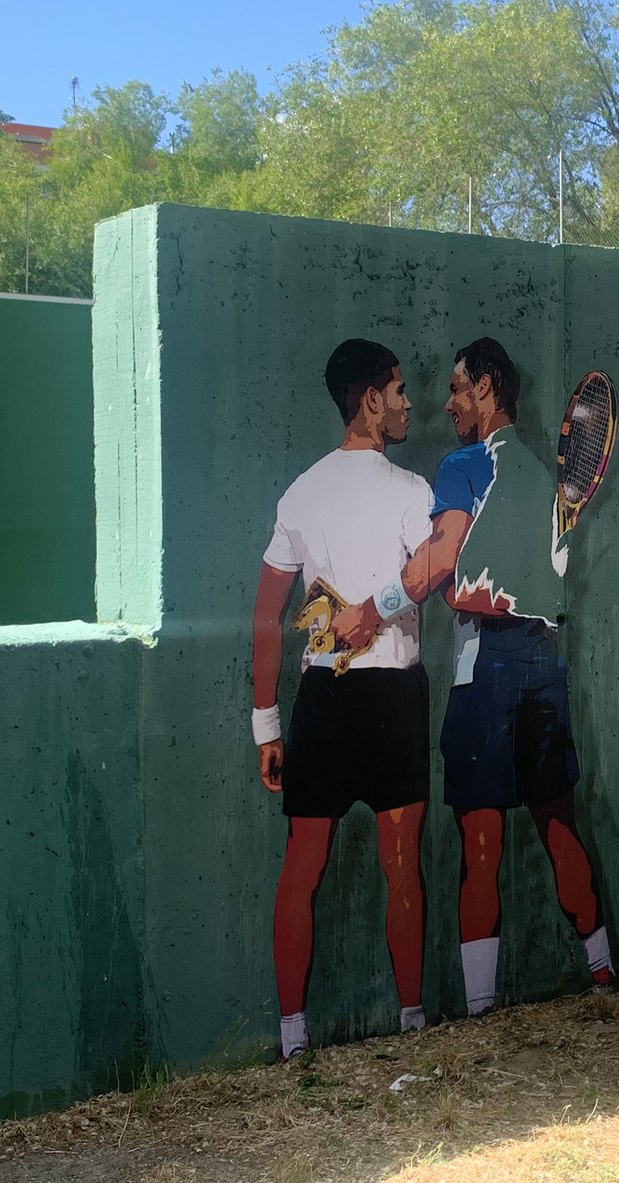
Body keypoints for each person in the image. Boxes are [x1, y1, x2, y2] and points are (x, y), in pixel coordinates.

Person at [333, 337, 614, 1018]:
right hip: (545, 658)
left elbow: (435, 566)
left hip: (483, 665)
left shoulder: (465, 463)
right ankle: (605, 977)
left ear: (487, 388)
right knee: (559, 826)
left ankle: (482, 1013)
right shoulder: (547, 473)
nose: (449, 403)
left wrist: (372, 611)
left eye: (458, 389)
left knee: (479, 839)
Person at [251, 339, 433, 1059]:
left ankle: (297, 1037)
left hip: (325, 698)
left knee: (306, 866)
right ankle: (409, 1022)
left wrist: (266, 722)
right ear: (370, 401)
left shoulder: (301, 493)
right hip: (388, 694)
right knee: (399, 863)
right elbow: (428, 577)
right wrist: (378, 609)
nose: (408, 402)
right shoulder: (412, 494)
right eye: (398, 390)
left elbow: (268, 616)